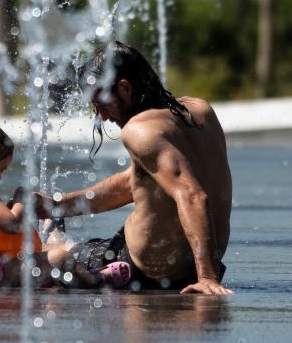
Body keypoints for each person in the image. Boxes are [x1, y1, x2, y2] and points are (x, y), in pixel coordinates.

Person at [39, 41, 234, 295]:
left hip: (136, 268)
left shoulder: (139, 130)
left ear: (124, 88)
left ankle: (52, 233)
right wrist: (60, 204)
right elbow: (138, 182)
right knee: (59, 230)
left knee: (47, 260)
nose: (103, 117)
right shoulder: (201, 110)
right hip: (190, 268)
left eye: (101, 105)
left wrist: (207, 278)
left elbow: (192, 195)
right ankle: (53, 217)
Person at [0, 111, 129, 290]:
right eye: (1, 170)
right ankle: (94, 279)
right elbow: (11, 224)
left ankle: (50, 258)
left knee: (29, 255)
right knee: (61, 258)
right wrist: (20, 200)